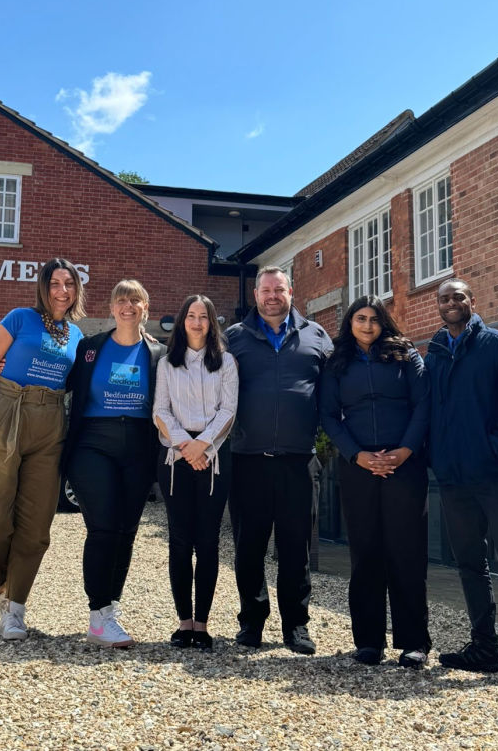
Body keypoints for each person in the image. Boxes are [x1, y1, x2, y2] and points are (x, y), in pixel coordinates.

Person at [0, 257, 86, 641]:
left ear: (76, 290)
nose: (61, 290)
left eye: (69, 283)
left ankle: (14, 606)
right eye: (54, 282)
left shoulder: (78, 336)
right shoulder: (19, 318)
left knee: (36, 523)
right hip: (8, 411)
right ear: (43, 286)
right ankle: (0, 583)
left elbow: (82, 380)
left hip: (50, 422)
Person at [425, 278, 498, 684]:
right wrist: (437, 457)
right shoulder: (435, 351)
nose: (451, 302)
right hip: (454, 481)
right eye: (444, 298)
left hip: (496, 477)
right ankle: (485, 649)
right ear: (437, 305)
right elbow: (430, 412)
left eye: (458, 296)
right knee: (470, 564)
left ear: (472, 301)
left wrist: (490, 451)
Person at [225, 266, 333, 655]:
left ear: (292, 292)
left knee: (295, 548)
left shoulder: (317, 336)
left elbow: (333, 395)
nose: (272, 296)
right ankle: (251, 623)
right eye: (265, 290)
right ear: (255, 295)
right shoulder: (234, 338)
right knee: (248, 548)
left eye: (279, 289)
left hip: (298, 461)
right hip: (247, 459)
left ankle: (296, 627)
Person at [320, 296, 431, 668]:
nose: (367, 325)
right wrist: (357, 455)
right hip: (358, 466)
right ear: (350, 323)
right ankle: (368, 642)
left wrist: (404, 451)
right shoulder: (337, 362)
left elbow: (423, 406)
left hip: (404, 465)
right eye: (360, 318)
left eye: (374, 319)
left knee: (406, 552)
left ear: (385, 323)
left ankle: (414, 642)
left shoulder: (406, 356)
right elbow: (329, 415)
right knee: (365, 553)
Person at [64, 279, 166, 648]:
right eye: (121, 300)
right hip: (93, 446)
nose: (128, 306)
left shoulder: (159, 354)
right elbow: (57, 379)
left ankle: (110, 610)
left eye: (135, 300)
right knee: (104, 528)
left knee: (126, 532)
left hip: (140, 447)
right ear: (111, 308)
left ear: (146, 308)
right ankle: (97, 614)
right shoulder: (90, 348)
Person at [153, 295, 238, 651]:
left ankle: (202, 624)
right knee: (179, 541)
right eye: (191, 316)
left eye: (204, 317)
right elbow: (159, 409)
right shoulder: (167, 363)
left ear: (212, 323)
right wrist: (185, 447)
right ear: (183, 321)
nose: (198, 322)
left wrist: (201, 445)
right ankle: (183, 622)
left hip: (213, 460)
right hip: (176, 460)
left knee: (207, 543)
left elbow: (228, 410)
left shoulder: (226, 362)